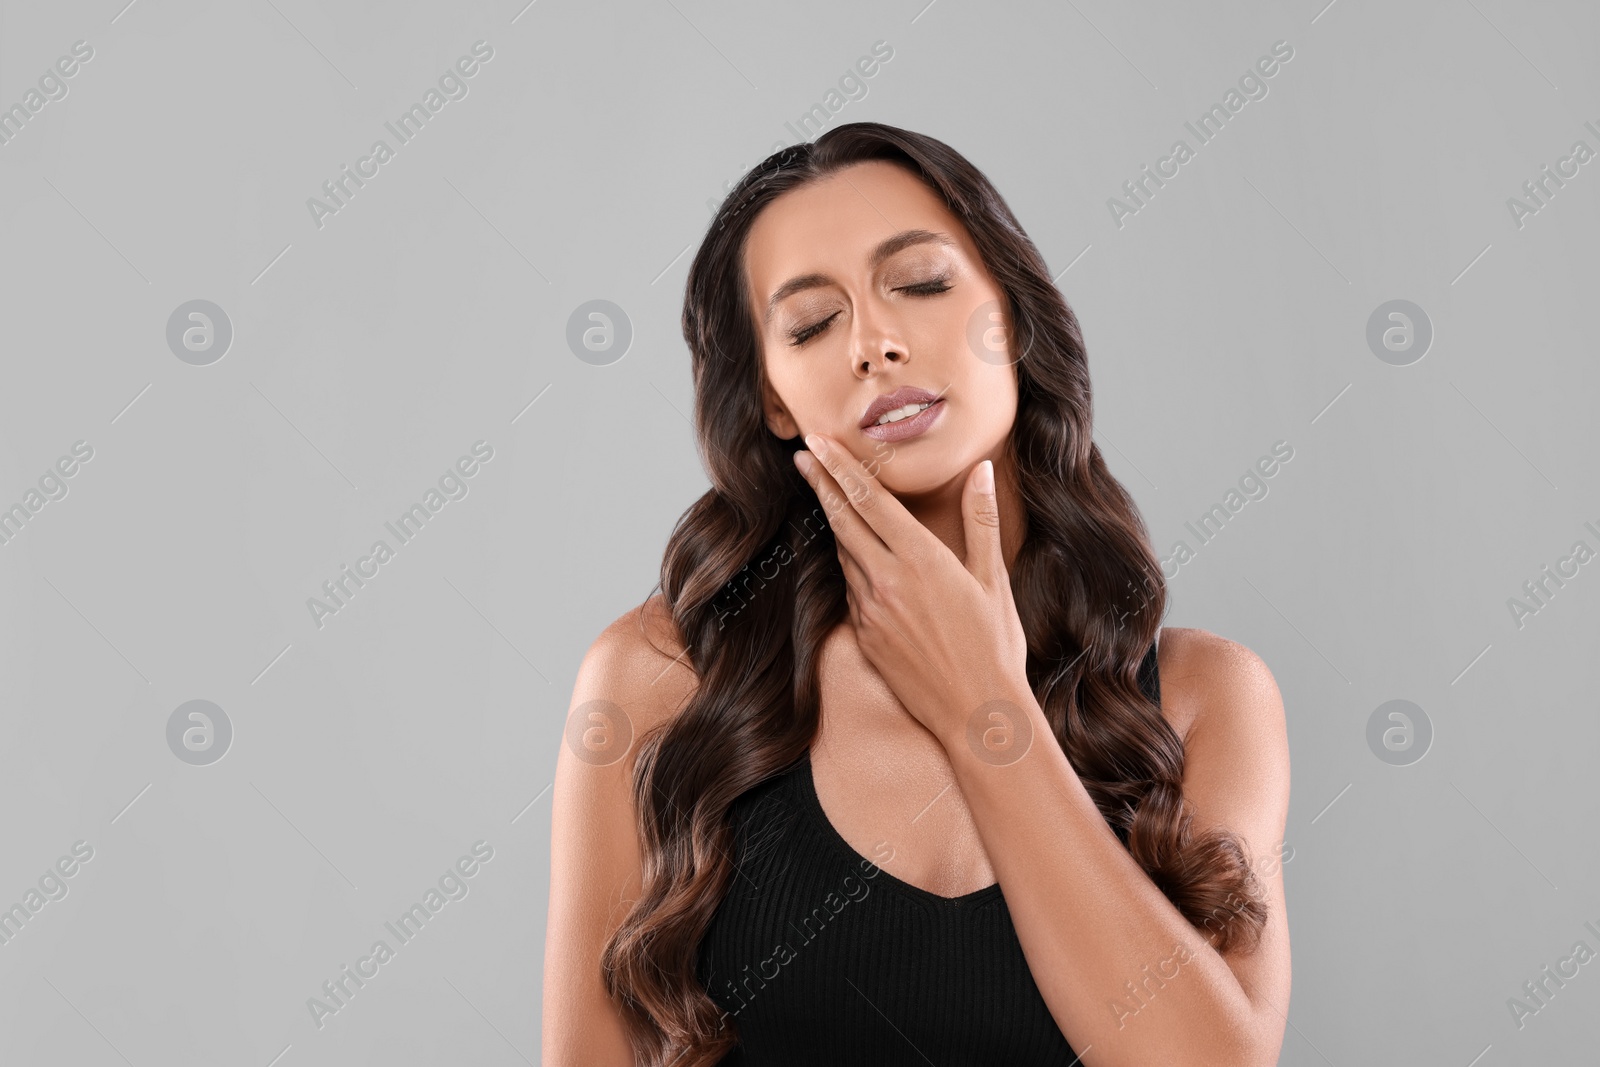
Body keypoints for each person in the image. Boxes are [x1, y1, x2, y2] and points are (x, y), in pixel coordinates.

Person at [543, 121, 1291, 1067]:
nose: (875, 343)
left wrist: (985, 705)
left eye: (923, 283)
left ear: (1010, 316)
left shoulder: (1204, 697)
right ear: (776, 401)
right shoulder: (656, 682)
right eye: (813, 324)